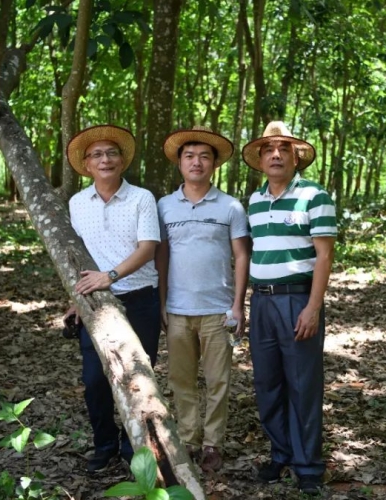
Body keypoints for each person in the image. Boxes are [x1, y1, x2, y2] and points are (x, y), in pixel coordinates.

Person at [241, 121, 336, 496]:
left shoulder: (315, 195)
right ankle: (280, 453)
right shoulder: (255, 199)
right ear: (261, 159)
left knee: (303, 384)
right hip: (261, 301)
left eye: (283, 148)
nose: (276, 154)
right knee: (267, 383)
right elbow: (252, 252)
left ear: (296, 157)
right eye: (268, 149)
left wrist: (313, 307)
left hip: (297, 299)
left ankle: (308, 465)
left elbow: (325, 255)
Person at [64, 124, 161, 473]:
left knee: (139, 378)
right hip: (97, 305)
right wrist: (77, 298)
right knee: (94, 380)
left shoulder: (141, 199)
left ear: (122, 161)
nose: (105, 159)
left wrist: (111, 275)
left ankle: (130, 446)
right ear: (87, 164)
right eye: (97, 155)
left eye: (111, 153)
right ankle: (104, 444)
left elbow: (148, 249)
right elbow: (74, 257)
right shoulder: (77, 203)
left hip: (140, 299)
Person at [156, 126, 250, 472]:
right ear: (179, 163)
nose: (196, 162)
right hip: (178, 310)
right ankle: (188, 439)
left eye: (204, 156)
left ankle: (213, 443)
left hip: (217, 310)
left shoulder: (230, 207)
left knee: (218, 381)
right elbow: (161, 257)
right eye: (189, 156)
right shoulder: (164, 206)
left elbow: (241, 256)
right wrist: (162, 303)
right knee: (180, 381)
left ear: (214, 164)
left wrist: (238, 305)